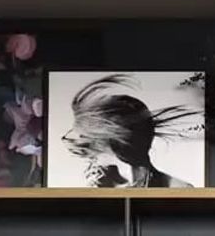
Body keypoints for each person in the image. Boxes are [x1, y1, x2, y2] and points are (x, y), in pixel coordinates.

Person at [61, 74, 198, 188]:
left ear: (114, 143)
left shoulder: (179, 189)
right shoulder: (93, 185)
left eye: (89, 139)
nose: (87, 151)